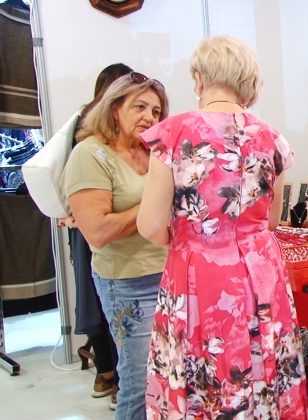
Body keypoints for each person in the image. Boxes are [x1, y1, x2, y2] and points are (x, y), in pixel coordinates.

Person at [137, 35, 308, 419]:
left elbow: (149, 223)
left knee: (202, 366)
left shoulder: (175, 133)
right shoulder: (272, 138)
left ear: (200, 78)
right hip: (261, 271)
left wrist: (186, 238)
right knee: (263, 360)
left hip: (200, 272)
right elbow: (271, 220)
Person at [61, 71, 169, 420]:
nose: (149, 117)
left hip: (170, 277)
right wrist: (153, 207)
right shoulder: (90, 154)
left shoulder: (155, 153)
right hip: (128, 284)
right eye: (140, 107)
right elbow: (97, 231)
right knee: (139, 383)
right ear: (114, 109)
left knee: (168, 379)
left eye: (156, 111)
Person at [57, 63, 132, 410]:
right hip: (99, 227)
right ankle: (114, 378)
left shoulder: (84, 124)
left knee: (98, 302)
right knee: (105, 302)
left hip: (90, 225)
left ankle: (106, 374)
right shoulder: (90, 136)